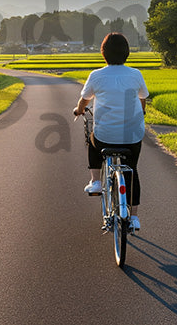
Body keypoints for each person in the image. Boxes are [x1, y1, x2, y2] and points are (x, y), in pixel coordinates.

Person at [73, 32, 149, 230]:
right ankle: (134, 218)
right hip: (132, 136)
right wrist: (141, 111)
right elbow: (143, 98)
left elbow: (84, 100)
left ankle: (95, 182)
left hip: (105, 137)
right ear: (127, 53)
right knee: (132, 170)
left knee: (92, 138)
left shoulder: (96, 75)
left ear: (103, 53)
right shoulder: (135, 74)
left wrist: (79, 110)